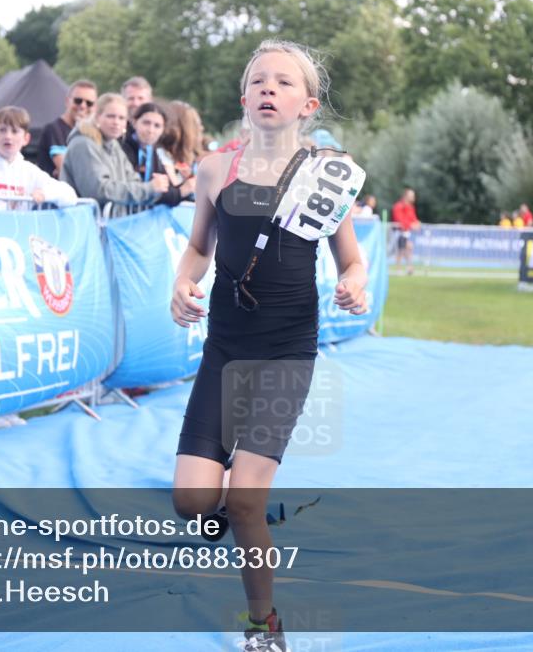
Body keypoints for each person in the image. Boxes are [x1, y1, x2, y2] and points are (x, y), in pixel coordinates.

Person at [170, 39, 368, 652]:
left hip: (286, 352)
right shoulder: (212, 169)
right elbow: (200, 248)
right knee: (193, 500)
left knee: (246, 500)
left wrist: (354, 285)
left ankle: (264, 625)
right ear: (243, 98)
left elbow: (352, 260)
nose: (268, 89)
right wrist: (183, 281)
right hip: (224, 349)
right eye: (259, 81)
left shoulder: (327, 175)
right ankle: (234, 511)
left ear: (307, 104)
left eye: (283, 83)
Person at [60, 93, 170, 216]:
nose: (116, 122)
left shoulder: (113, 144)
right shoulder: (83, 144)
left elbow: (134, 181)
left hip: (112, 225)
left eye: (121, 118)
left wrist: (152, 190)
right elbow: (98, 190)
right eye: (111, 116)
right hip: (85, 224)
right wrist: (149, 189)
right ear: (97, 117)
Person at [0, 106, 77, 210]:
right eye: (2, 130)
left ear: (26, 139)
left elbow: (70, 195)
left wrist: (44, 194)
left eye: (14, 131)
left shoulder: (29, 171)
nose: (8, 136)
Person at [119, 101, 195, 205]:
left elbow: (166, 189)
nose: (151, 130)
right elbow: (142, 192)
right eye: (146, 123)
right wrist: (182, 191)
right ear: (134, 122)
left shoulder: (156, 152)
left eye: (157, 126)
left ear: (163, 129)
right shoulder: (123, 147)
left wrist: (188, 185)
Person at [36, 79, 98, 179]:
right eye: (78, 101)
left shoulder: (95, 134)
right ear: (67, 101)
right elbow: (66, 169)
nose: (83, 106)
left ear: (95, 107)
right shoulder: (53, 129)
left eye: (89, 103)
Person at [392, 188, 419, 274]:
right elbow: (399, 220)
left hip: (406, 232)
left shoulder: (411, 207)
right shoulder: (398, 206)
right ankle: (399, 269)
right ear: (406, 196)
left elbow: (413, 219)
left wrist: (417, 223)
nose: (414, 197)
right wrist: (411, 225)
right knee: (401, 250)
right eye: (412, 196)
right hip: (399, 232)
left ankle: (408, 267)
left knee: (408, 248)